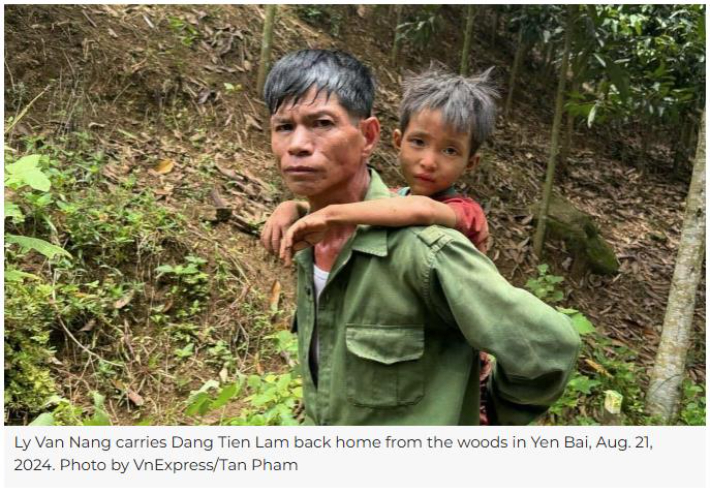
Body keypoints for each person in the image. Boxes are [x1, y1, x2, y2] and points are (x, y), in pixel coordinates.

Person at [262, 48, 580, 425]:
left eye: (322, 123)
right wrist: (291, 208)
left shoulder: (425, 249)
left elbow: (549, 347)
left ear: (369, 137)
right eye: (284, 127)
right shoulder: (311, 239)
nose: (298, 144)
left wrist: (494, 416)